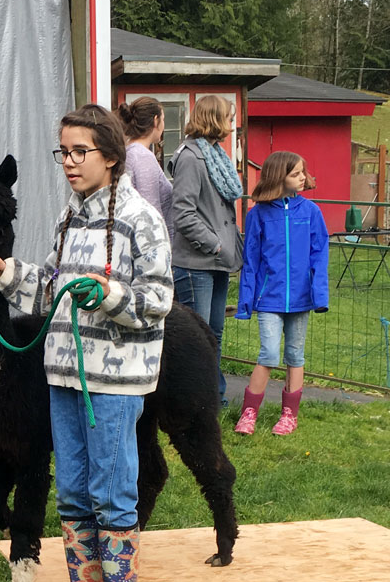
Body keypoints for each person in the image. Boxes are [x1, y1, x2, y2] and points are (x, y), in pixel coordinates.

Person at [0, 105, 172, 582]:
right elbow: (50, 287)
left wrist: (108, 295)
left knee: (112, 493)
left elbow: (158, 300)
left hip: (113, 384)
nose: (68, 162)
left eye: (79, 151)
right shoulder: (69, 219)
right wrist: (10, 273)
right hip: (63, 374)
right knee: (72, 491)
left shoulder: (141, 220)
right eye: (62, 152)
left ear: (110, 156)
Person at [233, 151, 329, 436]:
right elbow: (251, 261)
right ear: (279, 177)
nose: (303, 177)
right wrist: (246, 301)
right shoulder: (258, 214)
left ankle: (289, 416)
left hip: (300, 300)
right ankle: (249, 413)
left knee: (295, 355)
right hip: (269, 300)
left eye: (303, 171)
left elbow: (319, 255)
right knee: (269, 353)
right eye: (296, 173)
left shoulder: (311, 212)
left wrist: (318, 295)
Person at [170, 94, 243, 406]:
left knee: (214, 334)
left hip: (218, 261)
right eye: (228, 116)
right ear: (215, 118)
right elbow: (182, 213)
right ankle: (192, 403)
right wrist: (214, 244)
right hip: (195, 263)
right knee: (195, 339)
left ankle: (215, 398)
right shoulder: (189, 157)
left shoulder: (216, 155)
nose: (231, 123)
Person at [119, 96, 174, 237]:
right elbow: (151, 209)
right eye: (163, 119)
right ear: (156, 121)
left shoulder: (128, 152)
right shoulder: (142, 157)